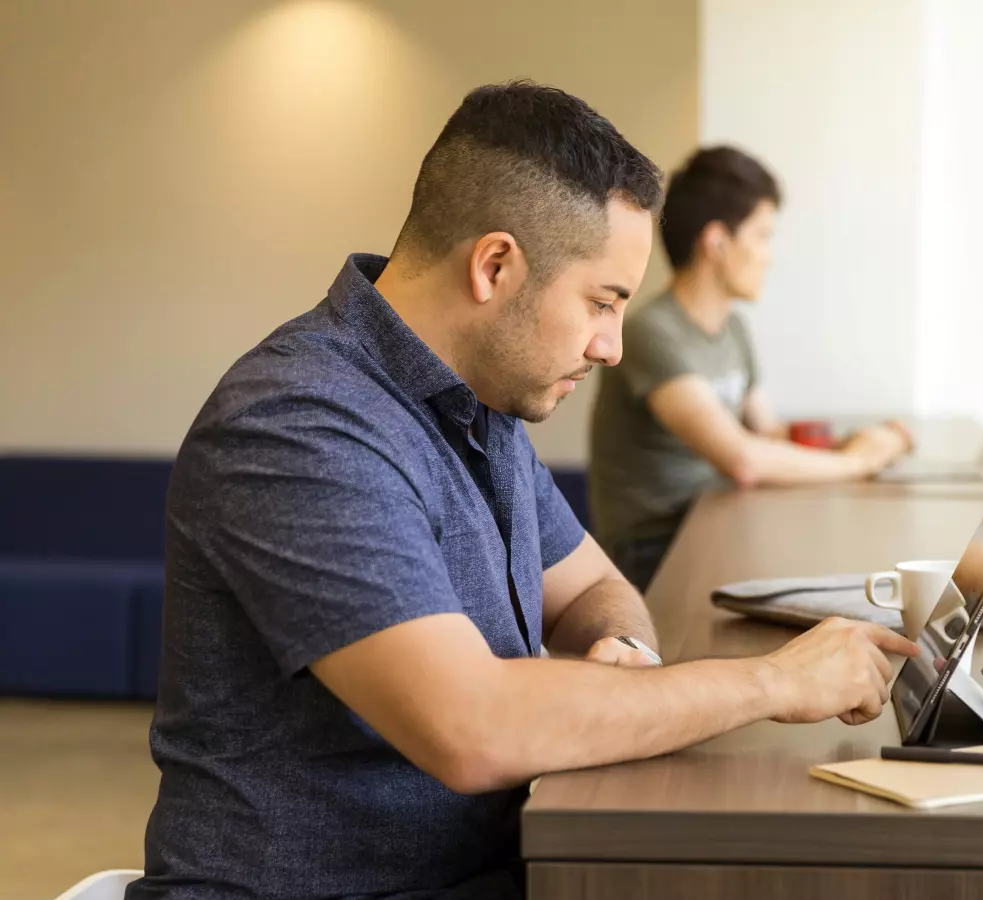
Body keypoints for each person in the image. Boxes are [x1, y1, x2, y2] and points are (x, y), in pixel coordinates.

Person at [127, 83, 917, 900]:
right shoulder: (297, 425)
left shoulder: (482, 407)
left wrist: (629, 660)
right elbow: (471, 726)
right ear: (495, 265)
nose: (611, 346)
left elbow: (597, 590)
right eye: (602, 302)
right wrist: (776, 682)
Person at [589, 146, 912, 591]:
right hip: (657, 551)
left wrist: (852, 442)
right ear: (717, 242)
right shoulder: (652, 333)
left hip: (716, 521)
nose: (769, 255)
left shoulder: (733, 329)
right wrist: (856, 463)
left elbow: (767, 433)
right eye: (762, 236)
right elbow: (742, 459)